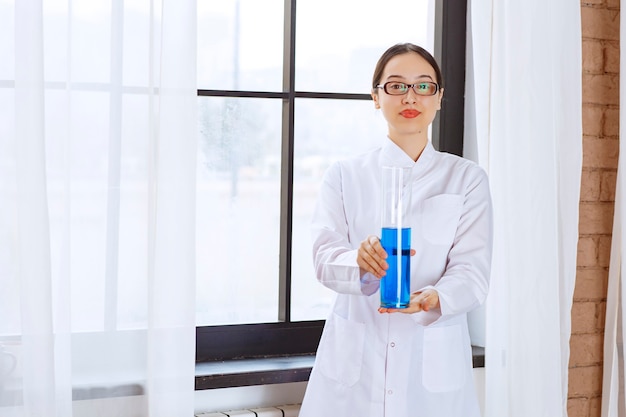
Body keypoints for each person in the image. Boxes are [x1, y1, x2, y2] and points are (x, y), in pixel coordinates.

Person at [298, 43, 493, 417]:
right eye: (396, 85)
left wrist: (435, 297)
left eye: (423, 86)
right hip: (355, 364)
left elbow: (472, 272)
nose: (410, 97)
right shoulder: (345, 175)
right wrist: (359, 261)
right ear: (375, 97)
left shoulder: (466, 179)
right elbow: (324, 257)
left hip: (431, 362)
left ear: (439, 98)